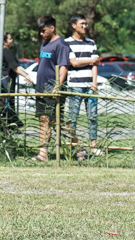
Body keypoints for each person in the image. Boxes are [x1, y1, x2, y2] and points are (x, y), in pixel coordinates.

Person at [31, 15, 69, 162]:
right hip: (41, 89)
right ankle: (43, 154)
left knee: (56, 122)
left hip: (52, 89)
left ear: (52, 28)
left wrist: (57, 87)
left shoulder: (61, 45)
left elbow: (63, 67)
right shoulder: (44, 44)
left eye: (43, 30)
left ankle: (78, 147)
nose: (41, 34)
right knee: (44, 120)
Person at [64, 14, 101, 159]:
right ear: (74, 25)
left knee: (93, 116)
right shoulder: (67, 43)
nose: (85, 26)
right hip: (75, 85)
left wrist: (94, 83)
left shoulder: (91, 43)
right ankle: (72, 146)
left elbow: (95, 64)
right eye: (82, 24)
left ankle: (93, 146)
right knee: (72, 118)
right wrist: (91, 60)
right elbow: (74, 63)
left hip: (89, 86)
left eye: (86, 24)